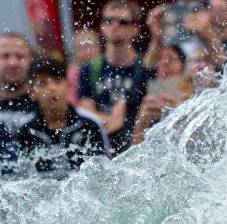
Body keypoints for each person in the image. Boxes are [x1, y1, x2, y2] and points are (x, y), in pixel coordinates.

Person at [78, 1, 164, 156]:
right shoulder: (90, 69)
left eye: (123, 22)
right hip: (104, 150)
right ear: (102, 27)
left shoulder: (143, 65)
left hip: (138, 146)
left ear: (135, 29)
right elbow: (86, 112)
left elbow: (153, 63)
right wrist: (115, 118)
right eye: (109, 20)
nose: (115, 25)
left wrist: (157, 36)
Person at [17, 59, 107, 174]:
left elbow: (104, 171)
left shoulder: (89, 125)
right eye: (42, 83)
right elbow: (24, 179)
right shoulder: (27, 132)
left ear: (69, 86)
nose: (51, 88)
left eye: (58, 81)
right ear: (31, 92)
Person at [131, 46, 194, 145]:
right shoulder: (147, 99)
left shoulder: (193, 96)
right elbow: (134, 148)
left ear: (183, 68)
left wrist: (176, 112)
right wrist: (141, 124)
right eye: (160, 58)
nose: (165, 62)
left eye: (172, 59)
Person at [0, 32, 38, 165]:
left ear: (31, 60)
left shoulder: (46, 103)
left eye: (20, 56)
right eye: (5, 56)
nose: (12, 63)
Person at [185, 0, 227, 68]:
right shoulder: (203, 41)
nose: (211, 14)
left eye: (221, 10)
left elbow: (225, 66)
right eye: (209, 9)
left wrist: (210, 35)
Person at [68, 29, 102, 106]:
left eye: (90, 47)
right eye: (81, 48)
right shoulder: (72, 74)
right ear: (75, 52)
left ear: (99, 48)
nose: (87, 52)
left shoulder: (106, 67)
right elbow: (72, 103)